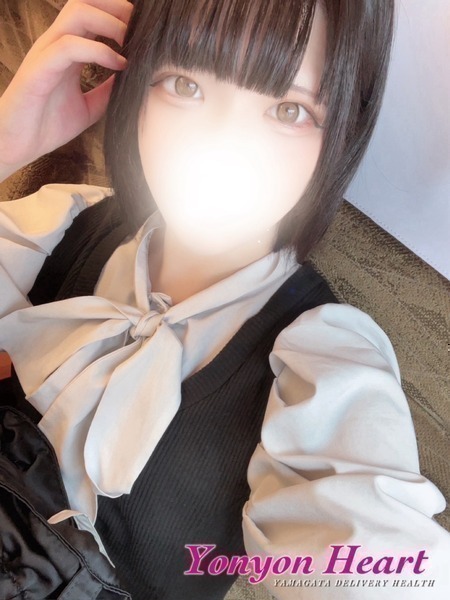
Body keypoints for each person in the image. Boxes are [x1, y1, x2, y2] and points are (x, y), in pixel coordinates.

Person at [0, 0, 449, 598]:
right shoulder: (60, 223)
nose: (221, 145)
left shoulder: (322, 363)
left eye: (288, 110)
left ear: (339, 131)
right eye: (185, 85)